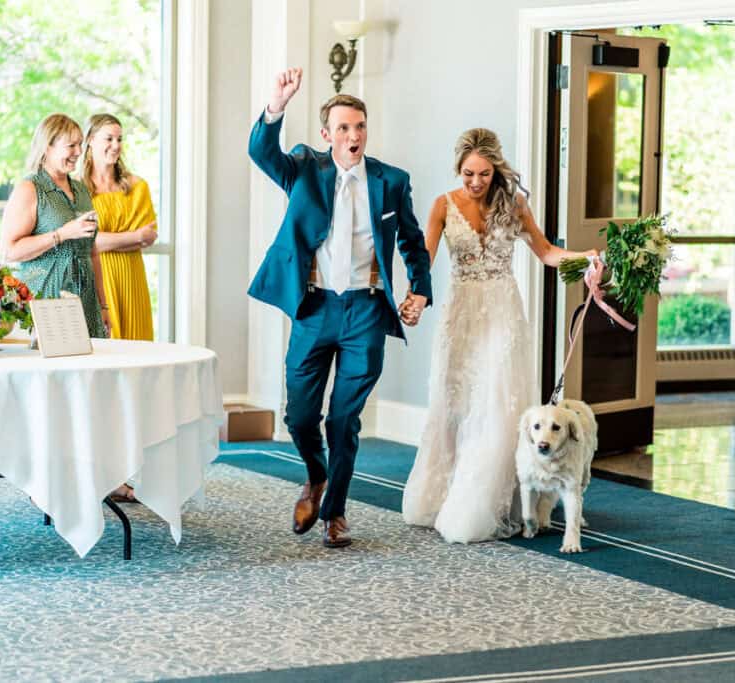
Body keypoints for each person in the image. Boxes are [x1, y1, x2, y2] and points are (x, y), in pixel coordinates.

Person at [248, 68, 432, 548]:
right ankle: (315, 475)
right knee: (300, 416)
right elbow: (260, 152)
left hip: (366, 310)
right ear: (328, 134)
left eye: (360, 127)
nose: (354, 136)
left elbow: (413, 242)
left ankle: (335, 513)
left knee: (344, 419)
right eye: (344, 128)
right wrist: (276, 106)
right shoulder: (304, 168)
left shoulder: (391, 181)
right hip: (314, 308)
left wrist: (420, 289)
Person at [401, 128, 596, 544]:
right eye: (469, 173)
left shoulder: (514, 205)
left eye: (485, 174)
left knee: (497, 404)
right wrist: (414, 300)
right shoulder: (443, 206)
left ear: (496, 170)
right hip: (461, 312)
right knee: (457, 404)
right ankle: (446, 493)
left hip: (504, 313)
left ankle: (485, 501)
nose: (476, 182)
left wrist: (586, 257)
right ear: (459, 168)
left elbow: (545, 253)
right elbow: (424, 260)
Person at [0, 113, 110, 339]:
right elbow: (10, 250)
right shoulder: (30, 189)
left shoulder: (81, 190)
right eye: (71, 145)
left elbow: (93, 253)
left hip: (86, 303)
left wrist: (104, 305)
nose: (79, 152)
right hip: (47, 301)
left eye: (80, 144)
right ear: (47, 148)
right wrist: (61, 234)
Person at [82, 113, 158, 341]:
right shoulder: (78, 189)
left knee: (137, 345)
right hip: (97, 277)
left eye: (120, 139)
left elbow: (150, 235)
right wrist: (134, 236)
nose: (116, 146)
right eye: (109, 139)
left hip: (132, 276)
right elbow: (85, 241)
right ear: (90, 140)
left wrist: (104, 239)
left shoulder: (137, 186)